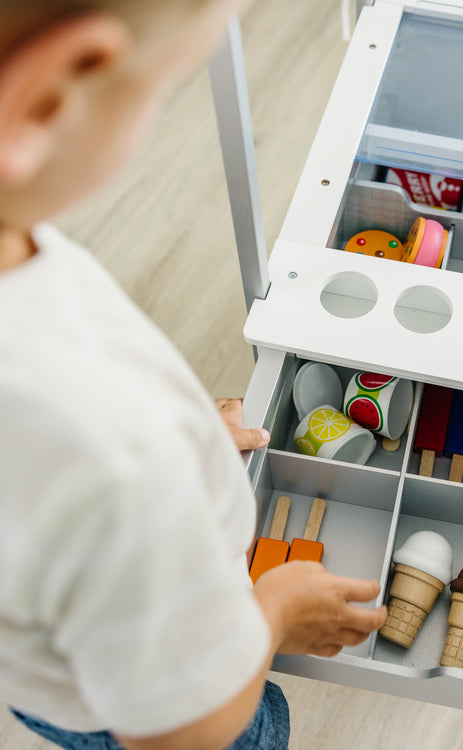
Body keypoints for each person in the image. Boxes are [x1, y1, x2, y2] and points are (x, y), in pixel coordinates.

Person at [0, 2, 387, 749]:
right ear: (45, 99)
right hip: (151, 703)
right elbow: (182, 732)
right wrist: (270, 614)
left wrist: (166, 449)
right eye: (169, 85)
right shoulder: (117, 458)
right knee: (252, 725)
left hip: (46, 662)